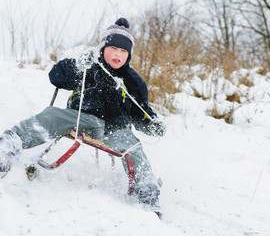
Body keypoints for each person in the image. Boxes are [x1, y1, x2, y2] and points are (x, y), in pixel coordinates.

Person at [0, 18, 165, 218]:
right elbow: (56, 76)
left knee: (132, 147)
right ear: (103, 48)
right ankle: (8, 145)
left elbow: (141, 113)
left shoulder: (133, 81)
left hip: (116, 128)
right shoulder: (89, 64)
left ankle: (147, 193)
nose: (117, 54)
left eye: (123, 51)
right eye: (113, 48)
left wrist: (152, 125)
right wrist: (78, 65)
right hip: (79, 117)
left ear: (129, 55)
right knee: (52, 115)